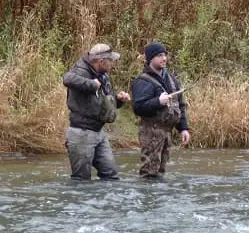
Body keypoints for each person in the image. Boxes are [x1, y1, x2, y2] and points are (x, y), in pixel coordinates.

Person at [62, 43, 131, 180]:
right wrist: (91, 84)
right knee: (81, 181)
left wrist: (119, 99)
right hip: (81, 134)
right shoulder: (80, 70)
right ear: (101, 61)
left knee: (111, 176)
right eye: (110, 60)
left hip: (99, 133)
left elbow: (104, 104)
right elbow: (67, 78)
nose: (112, 63)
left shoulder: (103, 76)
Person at [131, 42, 190, 178]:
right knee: (149, 173)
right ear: (151, 59)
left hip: (167, 133)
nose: (164, 58)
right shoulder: (142, 81)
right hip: (151, 132)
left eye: (165, 55)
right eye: (159, 55)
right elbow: (138, 108)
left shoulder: (172, 80)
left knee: (161, 173)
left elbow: (180, 105)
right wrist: (157, 102)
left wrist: (183, 128)